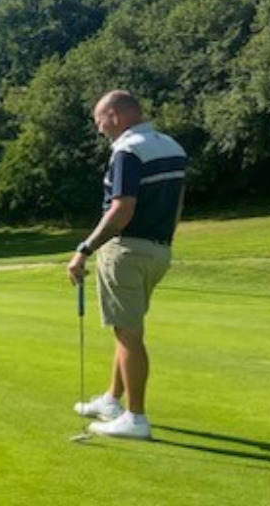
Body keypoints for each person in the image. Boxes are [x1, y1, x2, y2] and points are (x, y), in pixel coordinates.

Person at [67, 90, 187, 440]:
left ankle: (135, 417)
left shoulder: (127, 150)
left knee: (129, 334)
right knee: (127, 328)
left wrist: (84, 249)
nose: (99, 129)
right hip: (159, 250)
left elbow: (121, 209)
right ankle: (111, 399)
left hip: (126, 250)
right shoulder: (172, 147)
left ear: (115, 116)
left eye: (99, 121)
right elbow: (178, 204)